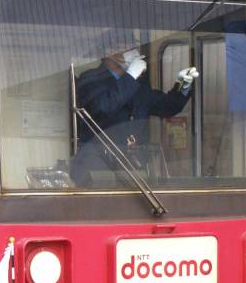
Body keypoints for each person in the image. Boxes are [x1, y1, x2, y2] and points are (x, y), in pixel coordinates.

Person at [70, 48, 198, 184]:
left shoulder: (138, 84)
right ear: (109, 52)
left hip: (134, 168)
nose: (135, 51)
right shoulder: (90, 78)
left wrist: (182, 85)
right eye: (128, 47)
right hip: (98, 167)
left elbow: (166, 107)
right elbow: (103, 107)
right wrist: (130, 76)